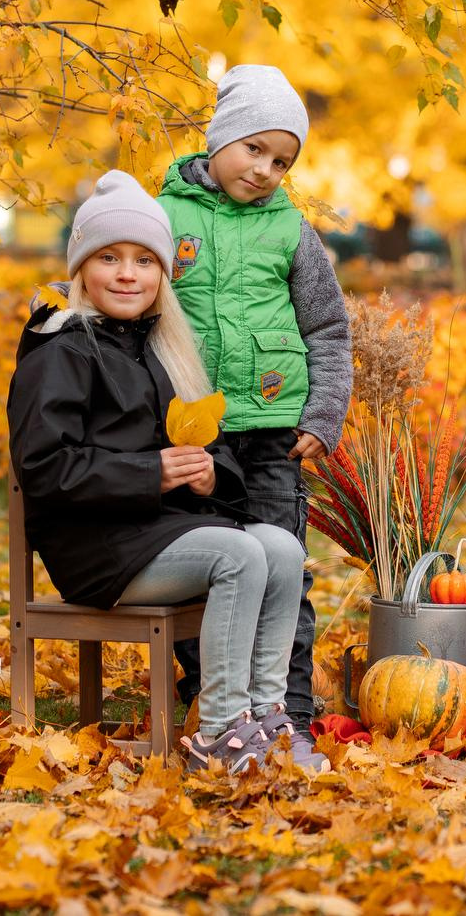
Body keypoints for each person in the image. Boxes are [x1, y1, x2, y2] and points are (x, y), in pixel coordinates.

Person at [7, 171, 317, 774]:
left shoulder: (163, 349)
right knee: (239, 554)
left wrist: (207, 476)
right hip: (96, 548)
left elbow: (212, 448)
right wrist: (151, 472)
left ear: (162, 277)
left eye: (145, 261)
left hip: (161, 531)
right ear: (81, 271)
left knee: (279, 546)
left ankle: (266, 714)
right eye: (109, 257)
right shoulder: (60, 353)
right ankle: (221, 733)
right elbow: (47, 468)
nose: (128, 273)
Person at [157, 64, 352, 771]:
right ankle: (213, 705)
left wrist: (323, 412)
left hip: (273, 432)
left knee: (282, 572)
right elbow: (121, 294)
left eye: (283, 160)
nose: (267, 169)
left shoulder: (291, 231)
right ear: (221, 138)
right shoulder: (166, 217)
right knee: (206, 568)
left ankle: (286, 716)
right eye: (255, 150)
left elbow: (328, 327)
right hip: (193, 432)